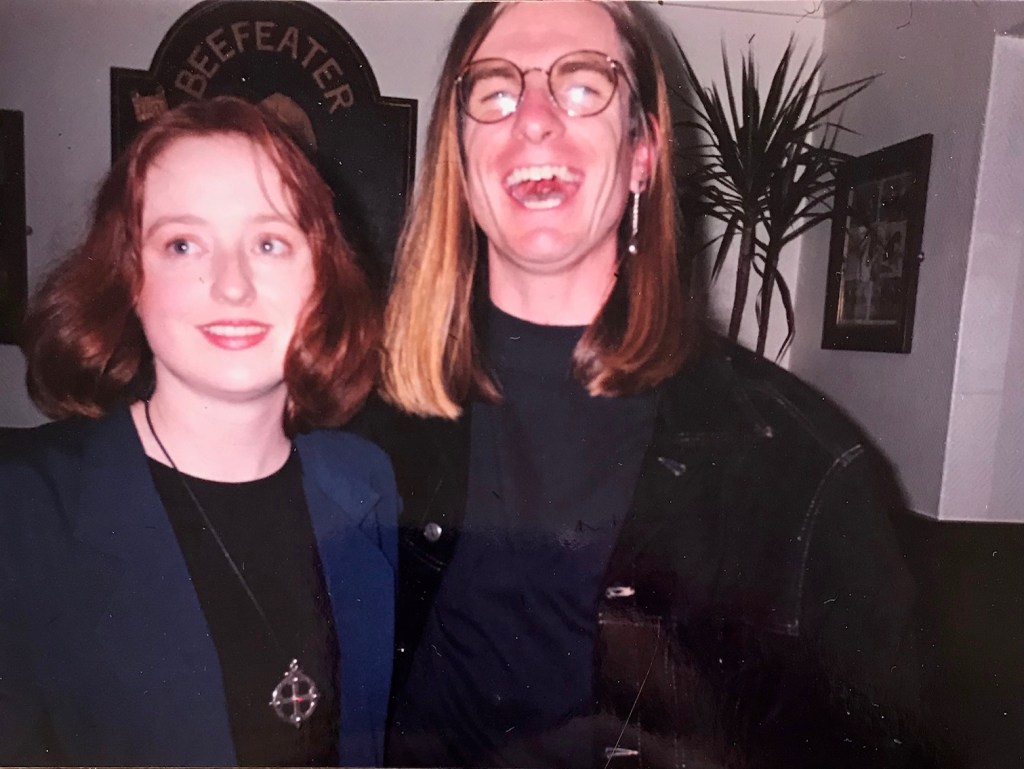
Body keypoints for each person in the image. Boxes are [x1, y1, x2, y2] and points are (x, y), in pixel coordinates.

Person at [356, 3, 930, 768]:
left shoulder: (801, 468)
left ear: (642, 154)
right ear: (458, 160)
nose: (534, 117)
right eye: (495, 90)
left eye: (582, 86)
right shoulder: (361, 423)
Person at [0, 96, 397, 766]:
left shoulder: (365, 482)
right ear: (129, 276)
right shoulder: (23, 510)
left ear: (321, 275)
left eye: (269, 243)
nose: (232, 285)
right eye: (183, 245)